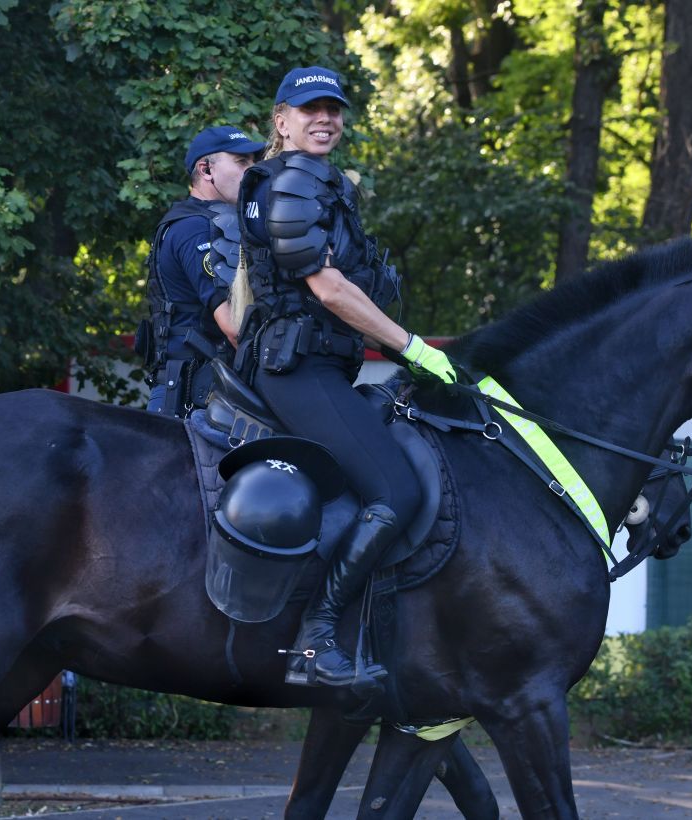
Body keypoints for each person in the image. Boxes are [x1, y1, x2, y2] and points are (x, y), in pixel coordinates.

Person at [232, 67, 457, 690]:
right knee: (398, 492)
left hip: (313, 363)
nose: (324, 119)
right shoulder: (297, 178)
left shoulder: (303, 179)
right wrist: (412, 346)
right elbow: (328, 289)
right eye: (309, 110)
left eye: (333, 109)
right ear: (280, 120)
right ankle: (318, 637)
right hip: (297, 368)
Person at [141, 125, 265, 416]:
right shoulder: (198, 228)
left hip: (204, 394)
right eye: (241, 162)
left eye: (254, 162)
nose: (253, 171)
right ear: (206, 169)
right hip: (192, 401)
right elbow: (235, 327)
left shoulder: (217, 223)